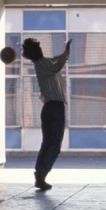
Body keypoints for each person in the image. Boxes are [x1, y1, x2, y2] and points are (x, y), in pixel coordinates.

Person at [22, 37, 72, 191]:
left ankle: (40, 175)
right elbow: (57, 65)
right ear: (37, 51)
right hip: (55, 108)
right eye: (39, 47)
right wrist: (67, 52)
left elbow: (56, 61)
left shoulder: (43, 63)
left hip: (49, 108)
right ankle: (41, 175)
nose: (41, 48)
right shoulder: (43, 64)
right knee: (54, 145)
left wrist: (65, 53)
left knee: (47, 143)